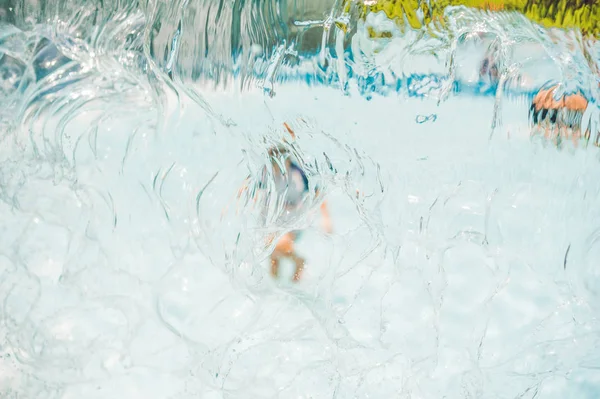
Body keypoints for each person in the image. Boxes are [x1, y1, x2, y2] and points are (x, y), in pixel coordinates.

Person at [238, 123, 332, 282]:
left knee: (276, 248)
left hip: (290, 222)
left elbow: (315, 194)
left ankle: (297, 266)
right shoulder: (267, 172)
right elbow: (251, 187)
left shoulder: (295, 176)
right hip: (273, 220)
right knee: (272, 255)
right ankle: (280, 290)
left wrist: (326, 218)